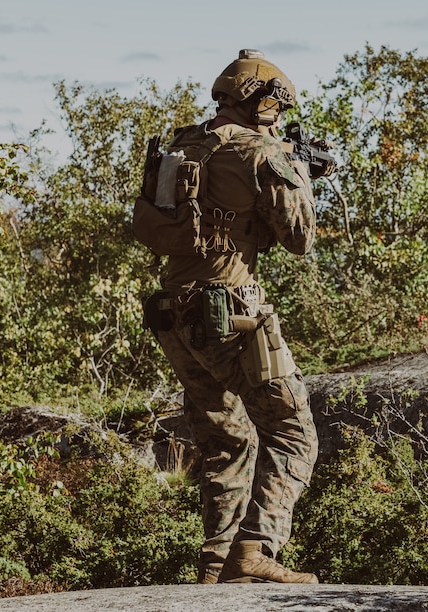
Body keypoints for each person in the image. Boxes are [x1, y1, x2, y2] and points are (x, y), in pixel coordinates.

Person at [140, 49, 327, 584]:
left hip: (174, 312)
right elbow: (299, 239)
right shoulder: (260, 151)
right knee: (294, 433)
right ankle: (256, 547)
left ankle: (218, 559)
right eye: (276, 105)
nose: (278, 115)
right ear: (264, 102)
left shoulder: (183, 144)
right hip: (230, 313)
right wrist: (300, 172)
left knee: (226, 438)